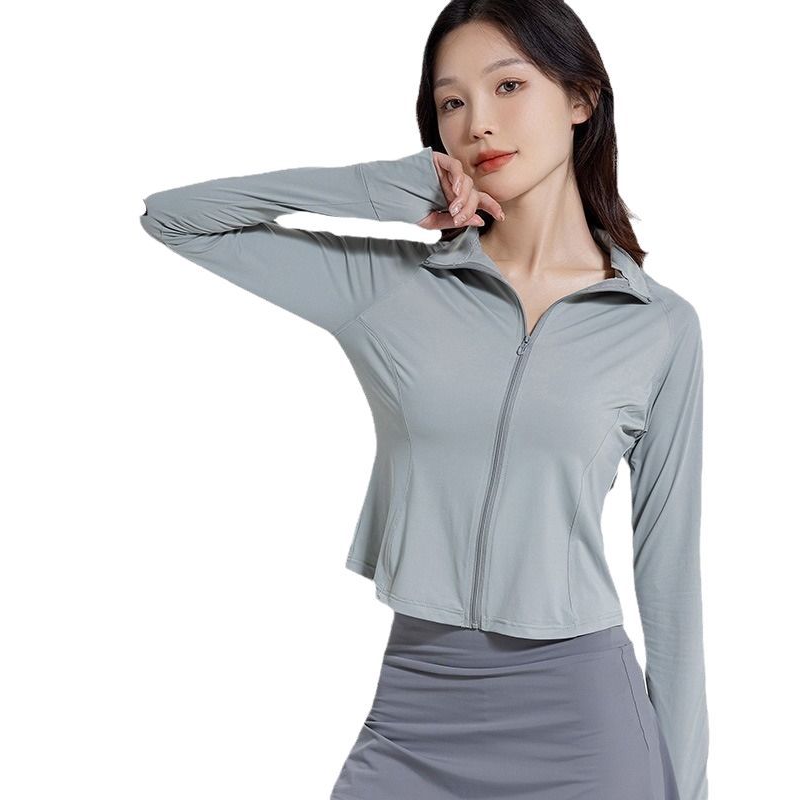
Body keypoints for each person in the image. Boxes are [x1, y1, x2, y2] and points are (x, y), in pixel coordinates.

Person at [139, 2, 709, 798]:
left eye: (509, 85)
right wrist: (377, 191)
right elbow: (176, 219)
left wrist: (688, 787)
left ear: (581, 99)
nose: (479, 123)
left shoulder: (657, 326)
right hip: (417, 709)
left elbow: (669, 574)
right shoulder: (389, 288)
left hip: (585, 723)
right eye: (451, 102)